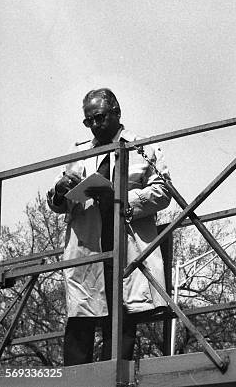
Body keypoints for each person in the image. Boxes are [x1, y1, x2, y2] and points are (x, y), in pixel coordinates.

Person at [47, 88, 171, 365]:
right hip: (87, 245)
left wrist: (121, 200)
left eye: (99, 117)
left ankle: (113, 374)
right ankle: (75, 380)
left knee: (121, 313)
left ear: (116, 112)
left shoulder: (143, 147)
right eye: (88, 120)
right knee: (80, 314)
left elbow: (163, 192)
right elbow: (56, 201)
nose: (94, 125)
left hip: (123, 243)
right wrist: (59, 191)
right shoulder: (77, 152)